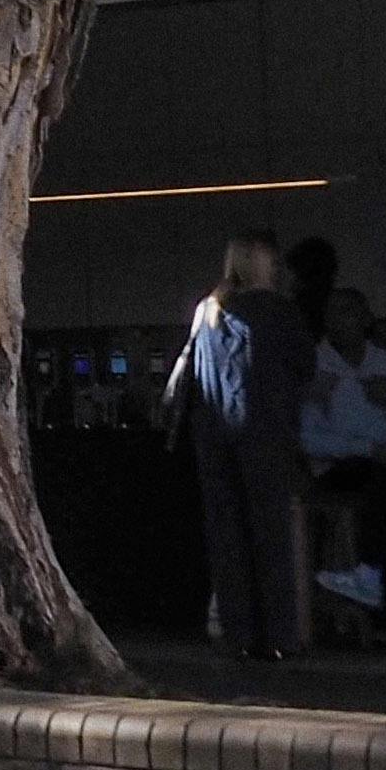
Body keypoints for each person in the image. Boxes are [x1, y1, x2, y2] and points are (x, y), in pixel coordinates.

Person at [165, 234, 311, 666]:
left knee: (227, 537)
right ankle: (278, 635)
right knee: (271, 536)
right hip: (264, 435)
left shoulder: (208, 311)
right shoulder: (278, 311)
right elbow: (305, 365)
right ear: (264, 266)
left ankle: (238, 633)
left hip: (214, 438)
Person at [300, 288, 386, 621]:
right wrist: (370, 449)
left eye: (346, 311)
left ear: (365, 318)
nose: (338, 321)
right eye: (331, 313)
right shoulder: (315, 368)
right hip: (343, 466)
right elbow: (307, 439)